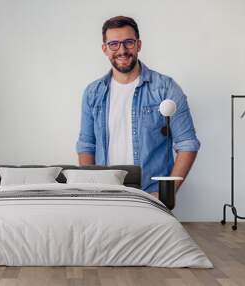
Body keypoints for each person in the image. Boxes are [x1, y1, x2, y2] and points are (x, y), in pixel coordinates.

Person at [76, 16, 200, 198]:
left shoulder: (165, 88)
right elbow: (87, 145)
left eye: (129, 42)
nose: (122, 50)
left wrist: (167, 194)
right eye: (114, 44)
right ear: (105, 49)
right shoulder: (93, 93)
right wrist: (91, 190)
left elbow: (187, 144)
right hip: (105, 194)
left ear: (139, 45)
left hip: (150, 195)